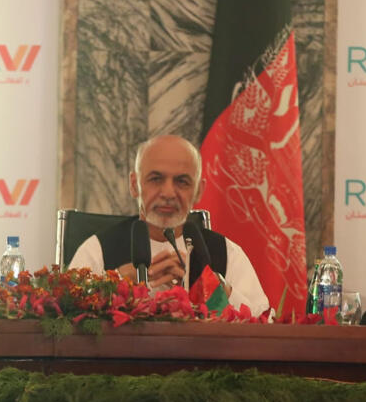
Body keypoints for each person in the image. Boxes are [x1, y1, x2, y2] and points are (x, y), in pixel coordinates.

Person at [68, 134, 270, 314]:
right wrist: (115, 282)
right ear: (134, 185)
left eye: (182, 182)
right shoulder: (97, 250)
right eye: (156, 179)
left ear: (199, 190)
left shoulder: (225, 253)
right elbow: (64, 320)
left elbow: (265, 325)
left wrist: (220, 289)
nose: (168, 193)